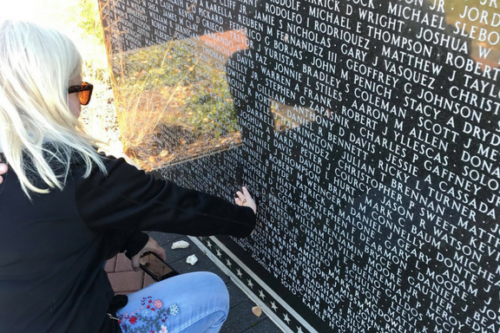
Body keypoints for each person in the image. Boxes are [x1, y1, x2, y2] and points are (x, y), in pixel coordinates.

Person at [0, 20, 257, 333]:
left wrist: (132, 241)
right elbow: (176, 206)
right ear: (50, 96)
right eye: (80, 90)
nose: (82, 106)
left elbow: (56, 228)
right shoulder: (82, 173)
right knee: (210, 293)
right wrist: (244, 219)